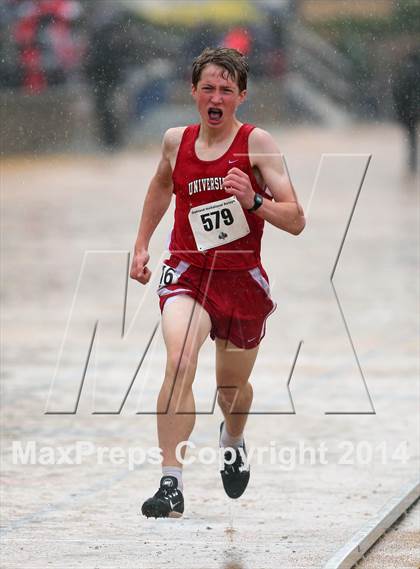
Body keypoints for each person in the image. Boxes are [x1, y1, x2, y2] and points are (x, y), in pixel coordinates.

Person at [130, 47, 305, 518]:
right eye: (208, 87)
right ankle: (171, 482)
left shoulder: (257, 145)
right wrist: (142, 243)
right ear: (193, 92)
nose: (216, 96)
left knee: (231, 391)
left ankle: (232, 438)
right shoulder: (175, 141)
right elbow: (162, 186)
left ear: (241, 96)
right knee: (180, 359)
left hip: (241, 280)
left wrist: (253, 202)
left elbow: (296, 219)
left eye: (226, 89)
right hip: (187, 272)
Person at [393, 50, 420, 174]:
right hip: (415, 109)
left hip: (408, 111)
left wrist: (400, 110)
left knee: (411, 137)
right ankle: (413, 164)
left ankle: (412, 164)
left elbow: (398, 92)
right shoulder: (416, 71)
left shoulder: (404, 72)